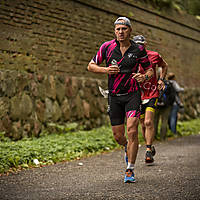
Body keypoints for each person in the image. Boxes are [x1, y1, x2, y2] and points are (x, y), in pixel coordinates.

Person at [87, 17, 153, 183]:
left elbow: (150, 70)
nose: (121, 32)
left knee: (132, 129)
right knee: (118, 136)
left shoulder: (138, 49)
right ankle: (126, 147)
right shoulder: (107, 47)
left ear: (130, 30)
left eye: (124, 29)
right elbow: (91, 66)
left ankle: (130, 169)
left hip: (132, 94)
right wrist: (106, 70)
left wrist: (144, 77)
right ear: (114, 31)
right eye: (118, 29)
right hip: (114, 96)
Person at [132, 35, 168, 164]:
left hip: (152, 92)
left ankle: (147, 151)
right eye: (136, 45)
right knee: (142, 124)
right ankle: (150, 144)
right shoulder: (131, 58)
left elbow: (164, 66)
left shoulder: (154, 55)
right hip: (137, 95)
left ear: (145, 45)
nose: (139, 47)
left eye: (141, 45)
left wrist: (161, 79)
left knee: (148, 122)